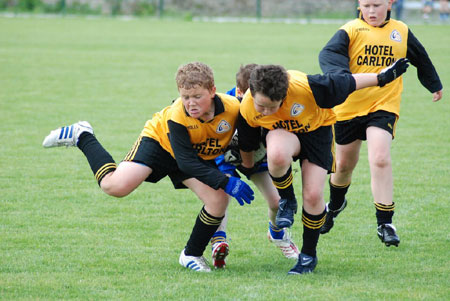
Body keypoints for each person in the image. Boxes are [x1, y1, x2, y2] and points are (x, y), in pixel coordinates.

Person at [42, 62, 255, 272]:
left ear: (212, 91)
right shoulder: (177, 115)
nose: (191, 103)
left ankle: (191, 254)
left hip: (193, 152)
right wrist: (225, 181)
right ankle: (83, 136)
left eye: (197, 96)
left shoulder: (233, 108)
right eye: (185, 97)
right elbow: (186, 163)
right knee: (114, 187)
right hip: (160, 143)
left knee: (217, 200)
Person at [237, 61, 409, 274]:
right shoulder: (247, 106)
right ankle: (287, 201)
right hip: (284, 134)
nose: (265, 111)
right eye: (260, 105)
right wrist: (247, 166)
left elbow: (346, 82)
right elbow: (247, 143)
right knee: (277, 154)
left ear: (285, 95)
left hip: (317, 132)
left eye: (273, 107)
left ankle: (308, 256)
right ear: (251, 93)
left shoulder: (308, 88)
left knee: (313, 196)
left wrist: (382, 77)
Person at [318, 0, 443, 247]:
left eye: (377, 5)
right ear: (358, 6)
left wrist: (434, 83)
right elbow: (328, 55)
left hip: (383, 107)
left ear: (390, 3)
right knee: (343, 166)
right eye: (366, 5)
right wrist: (342, 75)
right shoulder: (350, 30)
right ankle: (334, 205)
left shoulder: (401, 31)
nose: (371, 11)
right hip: (349, 108)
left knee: (380, 157)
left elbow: (421, 57)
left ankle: (385, 222)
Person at [215, 64, 300, 260]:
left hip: (257, 158)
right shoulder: (225, 105)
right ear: (241, 92)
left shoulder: (274, 103)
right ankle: (218, 242)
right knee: (219, 197)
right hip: (227, 157)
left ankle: (277, 233)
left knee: (277, 202)